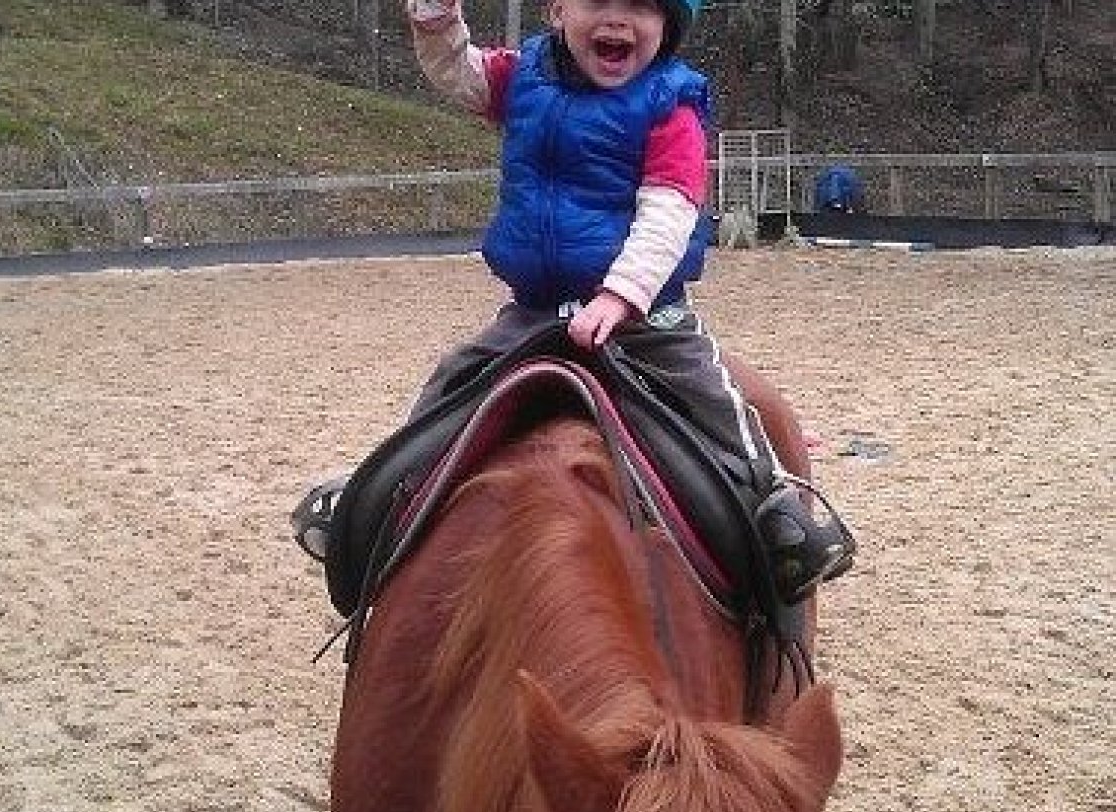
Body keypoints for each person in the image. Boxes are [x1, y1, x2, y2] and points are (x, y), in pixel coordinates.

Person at [297, 0, 854, 603]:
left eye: (642, 6)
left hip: (646, 315)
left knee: (712, 392)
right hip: (535, 307)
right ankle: (382, 495)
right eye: (598, 0)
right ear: (557, 10)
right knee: (452, 379)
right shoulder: (525, 76)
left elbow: (670, 207)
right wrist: (437, 21)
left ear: (668, 26)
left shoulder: (671, 100)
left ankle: (774, 497)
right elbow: (459, 72)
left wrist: (623, 295)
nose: (619, 19)